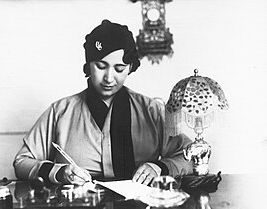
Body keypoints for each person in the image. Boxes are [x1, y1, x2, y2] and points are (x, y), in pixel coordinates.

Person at [13, 20, 193, 186]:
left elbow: (189, 156)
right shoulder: (60, 111)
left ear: (130, 67)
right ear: (88, 65)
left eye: (119, 68)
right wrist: (59, 172)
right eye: (100, 66)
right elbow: (22, 161)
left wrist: (160, 167)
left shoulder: (151, 110)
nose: (108, 78)